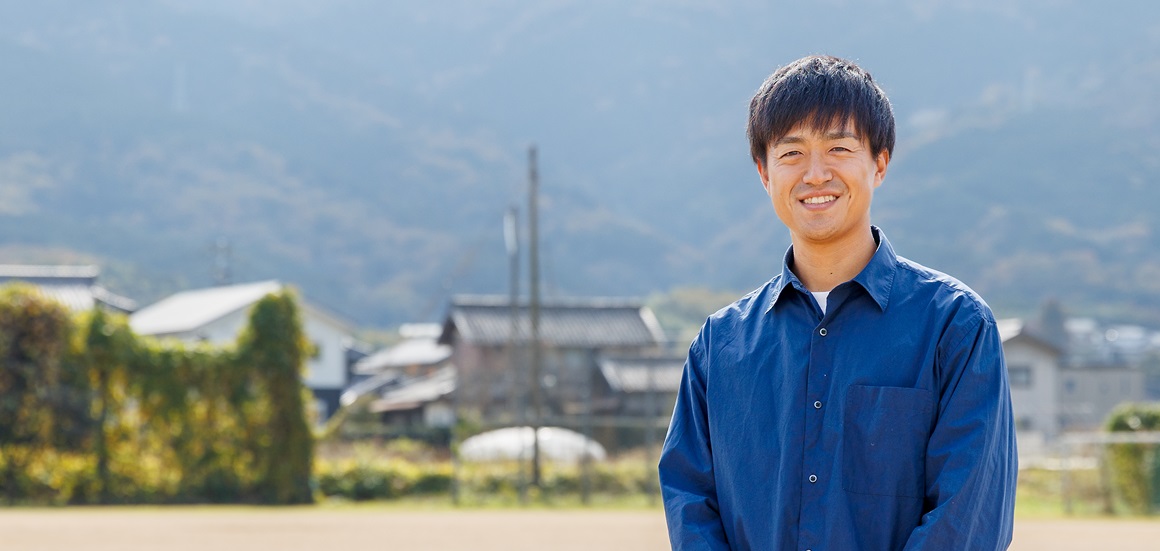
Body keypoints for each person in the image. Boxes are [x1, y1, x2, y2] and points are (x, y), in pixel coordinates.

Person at [658, 55, 1018, 550]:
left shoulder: (955, 326)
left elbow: (968, 517)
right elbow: (690, 500)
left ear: (879, 163)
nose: (815, 173)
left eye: (839, 148)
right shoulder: (719, 345)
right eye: (791, 153)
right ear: (764, 173)